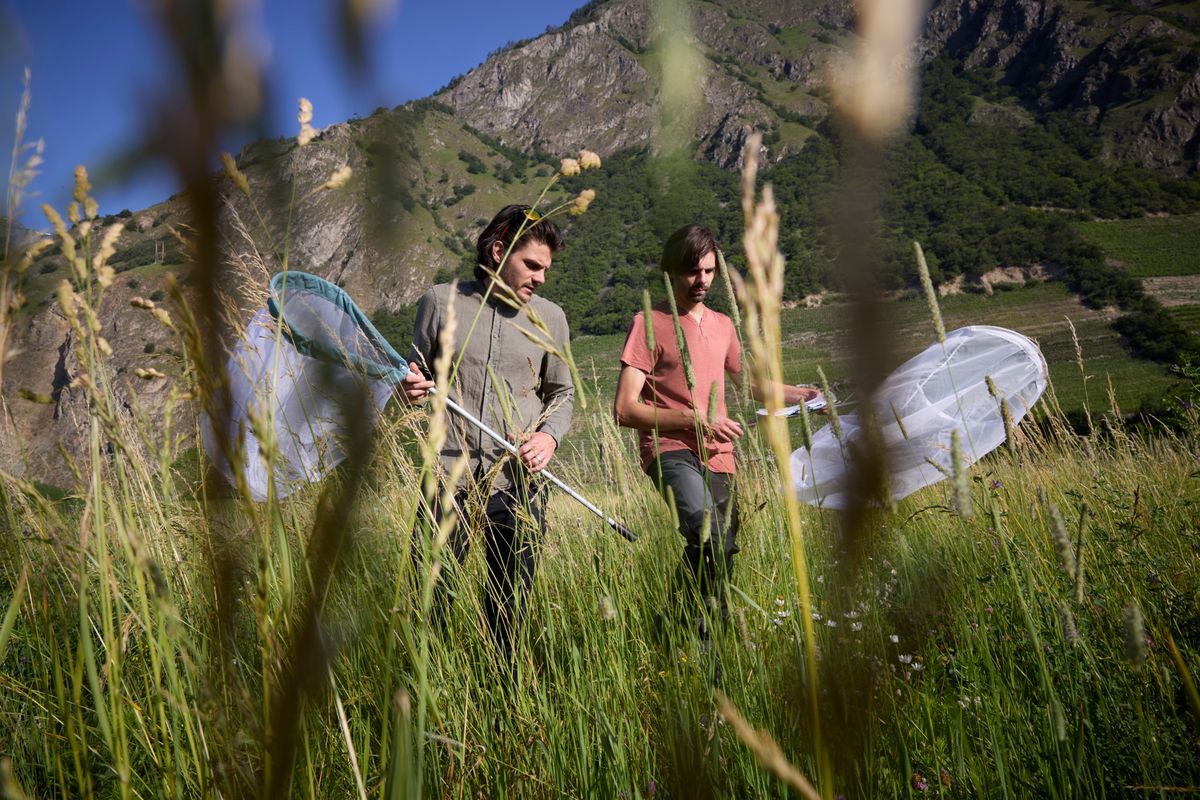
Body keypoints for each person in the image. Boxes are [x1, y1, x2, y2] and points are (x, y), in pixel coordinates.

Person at [614, 224, 819, 640]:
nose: (702, 280)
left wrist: (803, 393)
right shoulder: (648, 323)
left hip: (720, 455)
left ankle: (678, 630)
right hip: (670, 450)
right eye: (693, 271)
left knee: (719, 552)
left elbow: (751, 385)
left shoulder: (723, 325)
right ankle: (692, 638)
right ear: (672, 272)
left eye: (709, 271)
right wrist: (695, 419)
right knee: (710, 536)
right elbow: (625, 409)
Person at [399, 204, 573, 661]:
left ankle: (503, 705)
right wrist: (408, 388)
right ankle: (427, 701)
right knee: (431, 602)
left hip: (518, 482)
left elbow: (563, 394)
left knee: (509, 610)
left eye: (546, 269)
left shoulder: (551, 319)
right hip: (447, 477)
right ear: (499, 251)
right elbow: (407, 382)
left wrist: (549, 438)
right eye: (531, 265)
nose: (540, 278)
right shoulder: (440, 302)